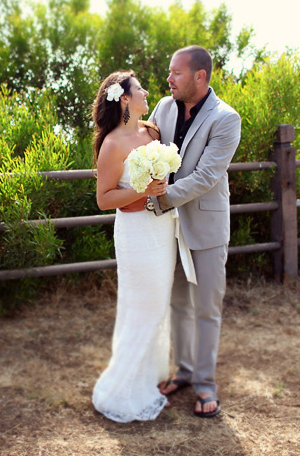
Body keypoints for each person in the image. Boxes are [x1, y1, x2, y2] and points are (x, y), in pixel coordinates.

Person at [148, 45, 241, 418]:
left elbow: (206, 176)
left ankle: (205, 384)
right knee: (177, 304)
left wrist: (163, 196)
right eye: (170, 73)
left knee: (206, 309)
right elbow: (148, 151)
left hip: (205, 225)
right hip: (164, 228)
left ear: (200, 77)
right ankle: (184, 372)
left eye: (176, 73)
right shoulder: (163, 107)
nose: (168, 79)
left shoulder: (226, 118)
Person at [91, 70, 177, 423]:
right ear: (124, 98)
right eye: (139, 89)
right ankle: (123, 388)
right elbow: (104, 199)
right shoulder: (112, 144)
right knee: (141, 307)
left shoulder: (153, 132)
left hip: (161, 230)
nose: (146, 93)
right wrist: (143, 191)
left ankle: (150, 377)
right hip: (135, 234)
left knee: (159, 305)